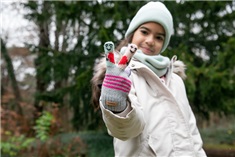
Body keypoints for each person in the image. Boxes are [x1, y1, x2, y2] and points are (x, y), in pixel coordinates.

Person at [91, 1, 207, 157]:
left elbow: (191, 132)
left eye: (159, 37)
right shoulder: (123, 74)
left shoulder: (175, 80)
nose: (150, 40)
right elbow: (126, 130)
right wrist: (118, 105)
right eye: (145, 32)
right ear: (132, 34)